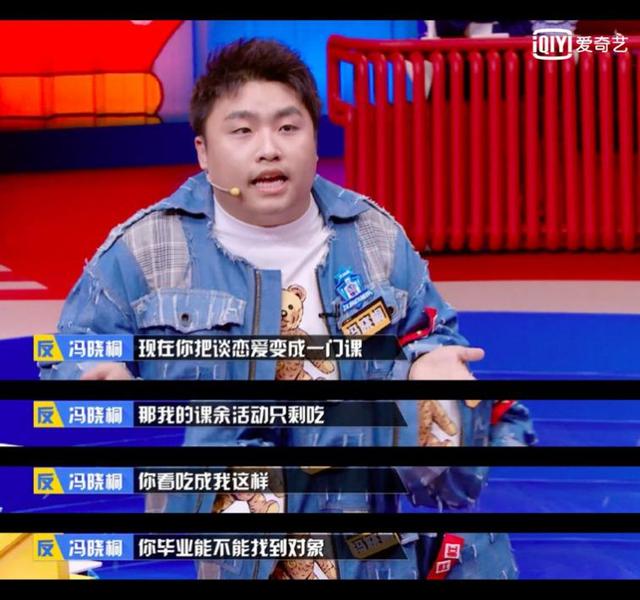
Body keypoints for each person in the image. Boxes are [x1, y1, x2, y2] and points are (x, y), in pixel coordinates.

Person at [40, 38, 535, 579]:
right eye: (243, 131)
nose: (268, 149)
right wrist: (99, 371)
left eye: (288, 127)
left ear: (315, 141)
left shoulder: (374, 235)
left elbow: (432, 334)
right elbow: (69, 355)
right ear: (204, 151)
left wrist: (431, 362)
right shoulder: (148, 249)